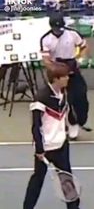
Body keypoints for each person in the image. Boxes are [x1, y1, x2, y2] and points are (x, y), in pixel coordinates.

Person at [23, 62, 80, 209]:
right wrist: (40, 150)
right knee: (38, 180)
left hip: (61, 145)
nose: (68, 78)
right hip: (46, 149)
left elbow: (67, 115)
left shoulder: (63, 94)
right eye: (65, 76)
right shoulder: (40, 99)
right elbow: (36, 127)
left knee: (67, 180)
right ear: (56, 79)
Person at [40, 12, 91, 139]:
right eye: (56, 29)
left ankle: (80, 120)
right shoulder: (46, 39)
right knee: (65, 99)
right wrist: (55, 71)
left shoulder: (72, 34)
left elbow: (84, 46)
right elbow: (46, 60)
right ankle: (69, 123)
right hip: (57, 68)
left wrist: (81, 59)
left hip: (72, 64)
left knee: (81, 95)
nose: (59, 31)